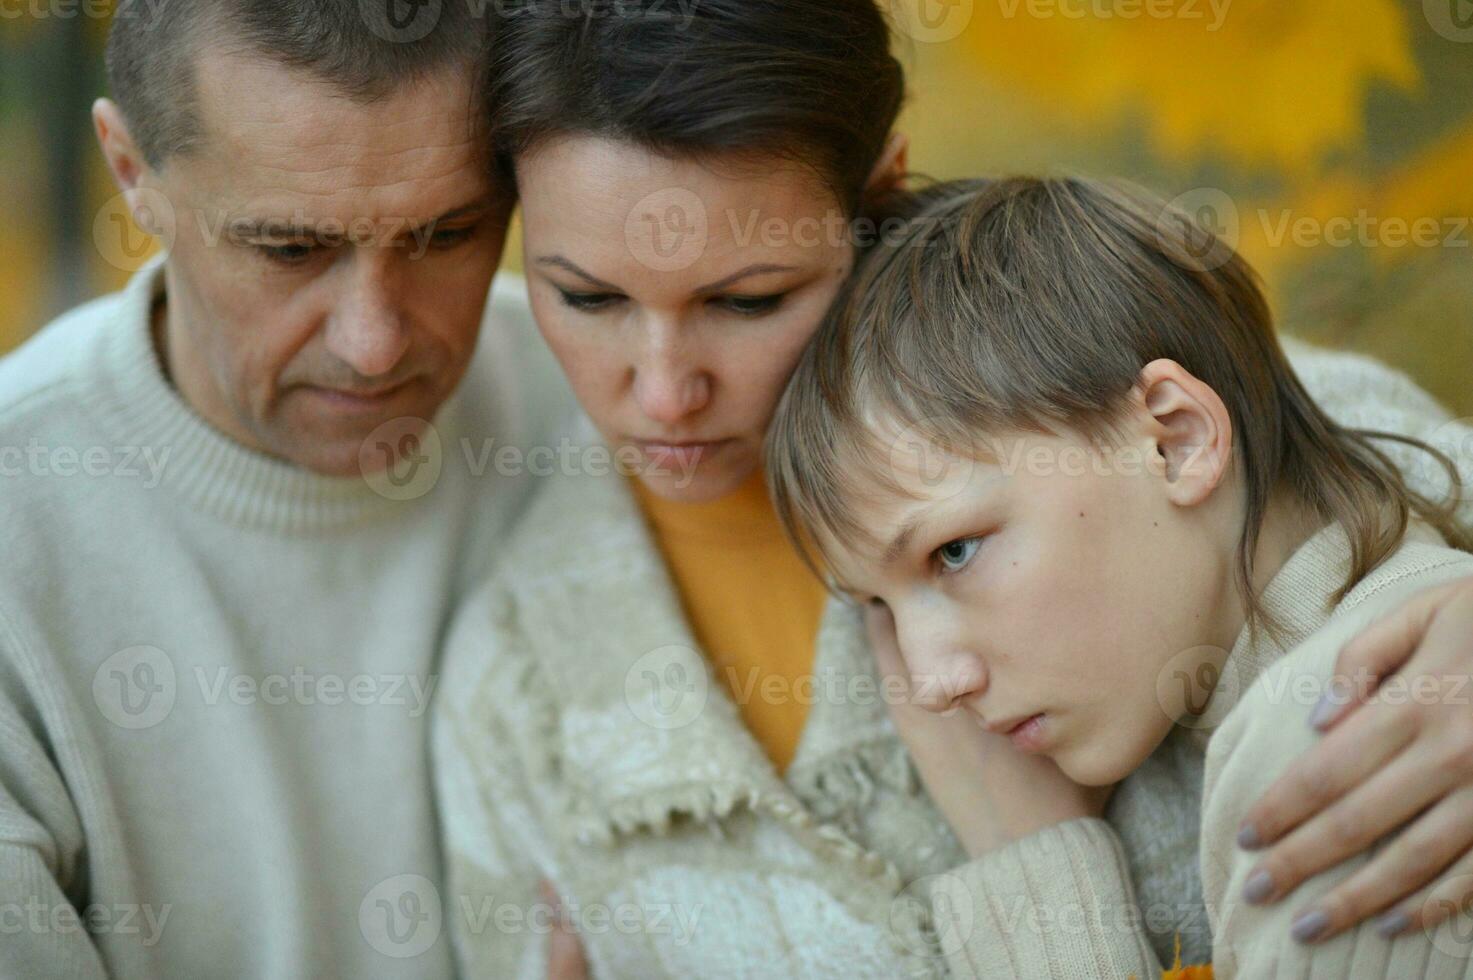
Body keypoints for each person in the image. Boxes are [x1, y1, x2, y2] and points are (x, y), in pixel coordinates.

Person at [432, 3, 1473, 975]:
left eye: (749, 299)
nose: (663, 392)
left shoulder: (1204, 420)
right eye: (585, 294)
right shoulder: (520, 694)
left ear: (879, 188)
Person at [764, 175, 1473, 977]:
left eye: (953, 551)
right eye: (880, 610)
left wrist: (1037, 881)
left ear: (1175, 440)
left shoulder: (1354, 732)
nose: (929, 686)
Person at [0, 2, 573, 976]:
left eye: (446, 235)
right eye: (290, 249)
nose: (373, 340)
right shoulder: (23, 526)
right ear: (132, 171)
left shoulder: (614, 410)